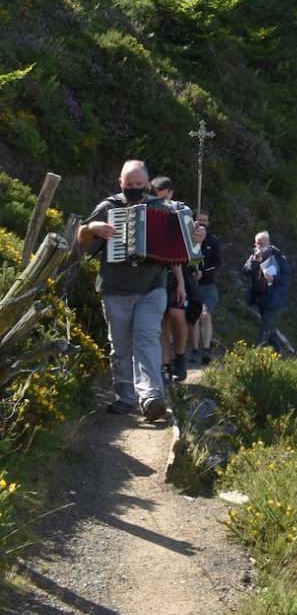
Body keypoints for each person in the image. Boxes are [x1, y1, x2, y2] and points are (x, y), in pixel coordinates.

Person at [77, 159, 169, 422]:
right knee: (120, 347)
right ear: (120, 183)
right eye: (129, 185)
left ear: (147, 184)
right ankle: (125, 397)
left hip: (152, 289)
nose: (133, 189)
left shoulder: (161, 209)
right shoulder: (109, 207)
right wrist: (91, 228)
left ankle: (151, 397)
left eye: (139, 184)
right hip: (115, 289)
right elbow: (81, 239)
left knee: (147, 338)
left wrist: (195, 236)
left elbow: (185, 244)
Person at [149, 176, 192, 382]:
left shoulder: (180, 211)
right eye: (157, 198)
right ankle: (165, 364)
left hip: (177, 271)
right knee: (161, 321)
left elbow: (180, 251)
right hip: (155, 273)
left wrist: (182, 282)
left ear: (171, 194)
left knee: (176, 314)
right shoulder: (146, 209)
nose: (161, 204)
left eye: (165, 198)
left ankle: (181, 356)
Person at [244, 230, 291, 352]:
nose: (259, 246)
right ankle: (278, 350)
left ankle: (256, 353)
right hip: (260, 297)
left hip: (275, 297)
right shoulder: (253, 256)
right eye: (257, 243)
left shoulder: (278, 257)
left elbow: (286, 275)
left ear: (268, 243)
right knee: (270, 326)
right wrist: (255, 261)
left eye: (262, 243)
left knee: (266, 325)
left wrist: (274, 278)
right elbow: (245, 271)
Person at [189, 210, 220, 365]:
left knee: (205, 315)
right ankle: (194, 350)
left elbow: (217, 264)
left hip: (207, 285)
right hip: (191, 285)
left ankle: (206, 349)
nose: (202, 222)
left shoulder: (213, 241)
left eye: (205, 220)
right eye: (199, 219)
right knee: (193, 318)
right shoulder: (188, 239)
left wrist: (204, 273)